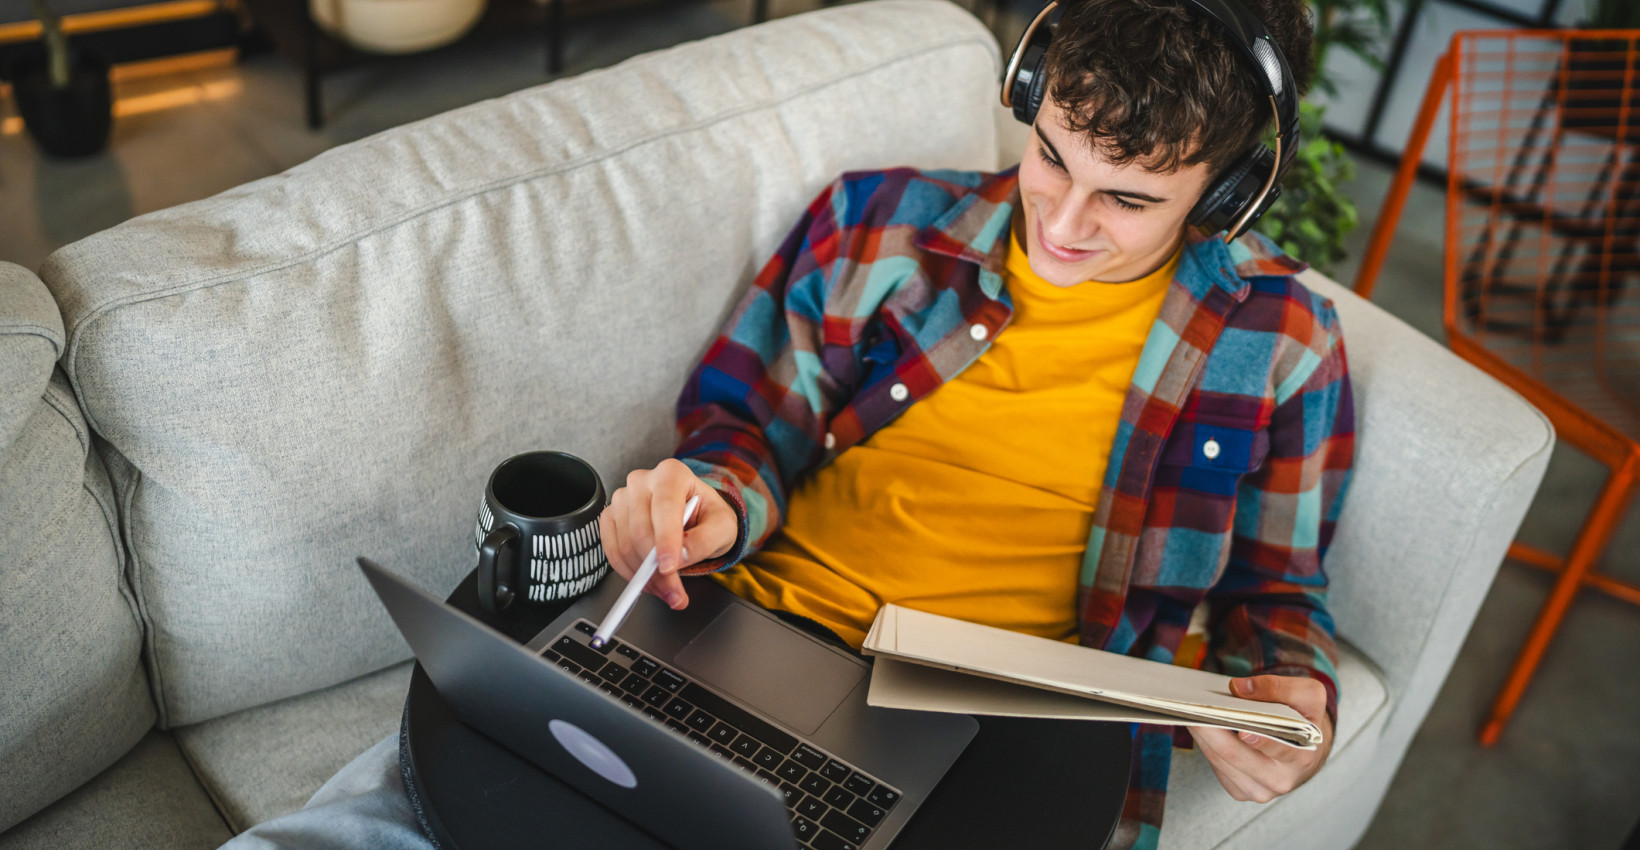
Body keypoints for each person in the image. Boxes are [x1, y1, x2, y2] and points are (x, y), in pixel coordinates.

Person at [222, 0, 1350, 848]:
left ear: (1222, 191)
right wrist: (707, 498)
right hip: (743, 632)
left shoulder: (1281, 343)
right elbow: (743, 428)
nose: (1058, 217)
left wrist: (1280, 699)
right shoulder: (876, 222)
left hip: (987, 728)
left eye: (1127, 199)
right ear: (1031, 93)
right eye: (1050, 154)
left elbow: (1270, 600)